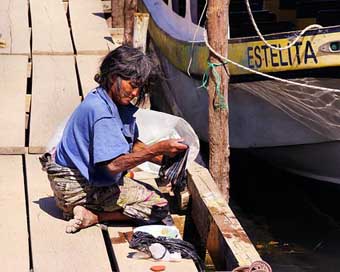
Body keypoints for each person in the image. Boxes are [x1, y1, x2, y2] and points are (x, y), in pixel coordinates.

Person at [40, 45, 188, 233]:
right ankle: (94, 215)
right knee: (158, 206)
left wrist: (166, 160)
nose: (135, 93)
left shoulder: (103, 98)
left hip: (68, 182)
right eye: (132, 86)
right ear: (113, 77)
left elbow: (131, 144)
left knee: (145, 191)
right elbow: (112, 166)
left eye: (139, 87)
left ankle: (83, 206)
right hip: (75, 187)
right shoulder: (103, 113)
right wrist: (157, 149)